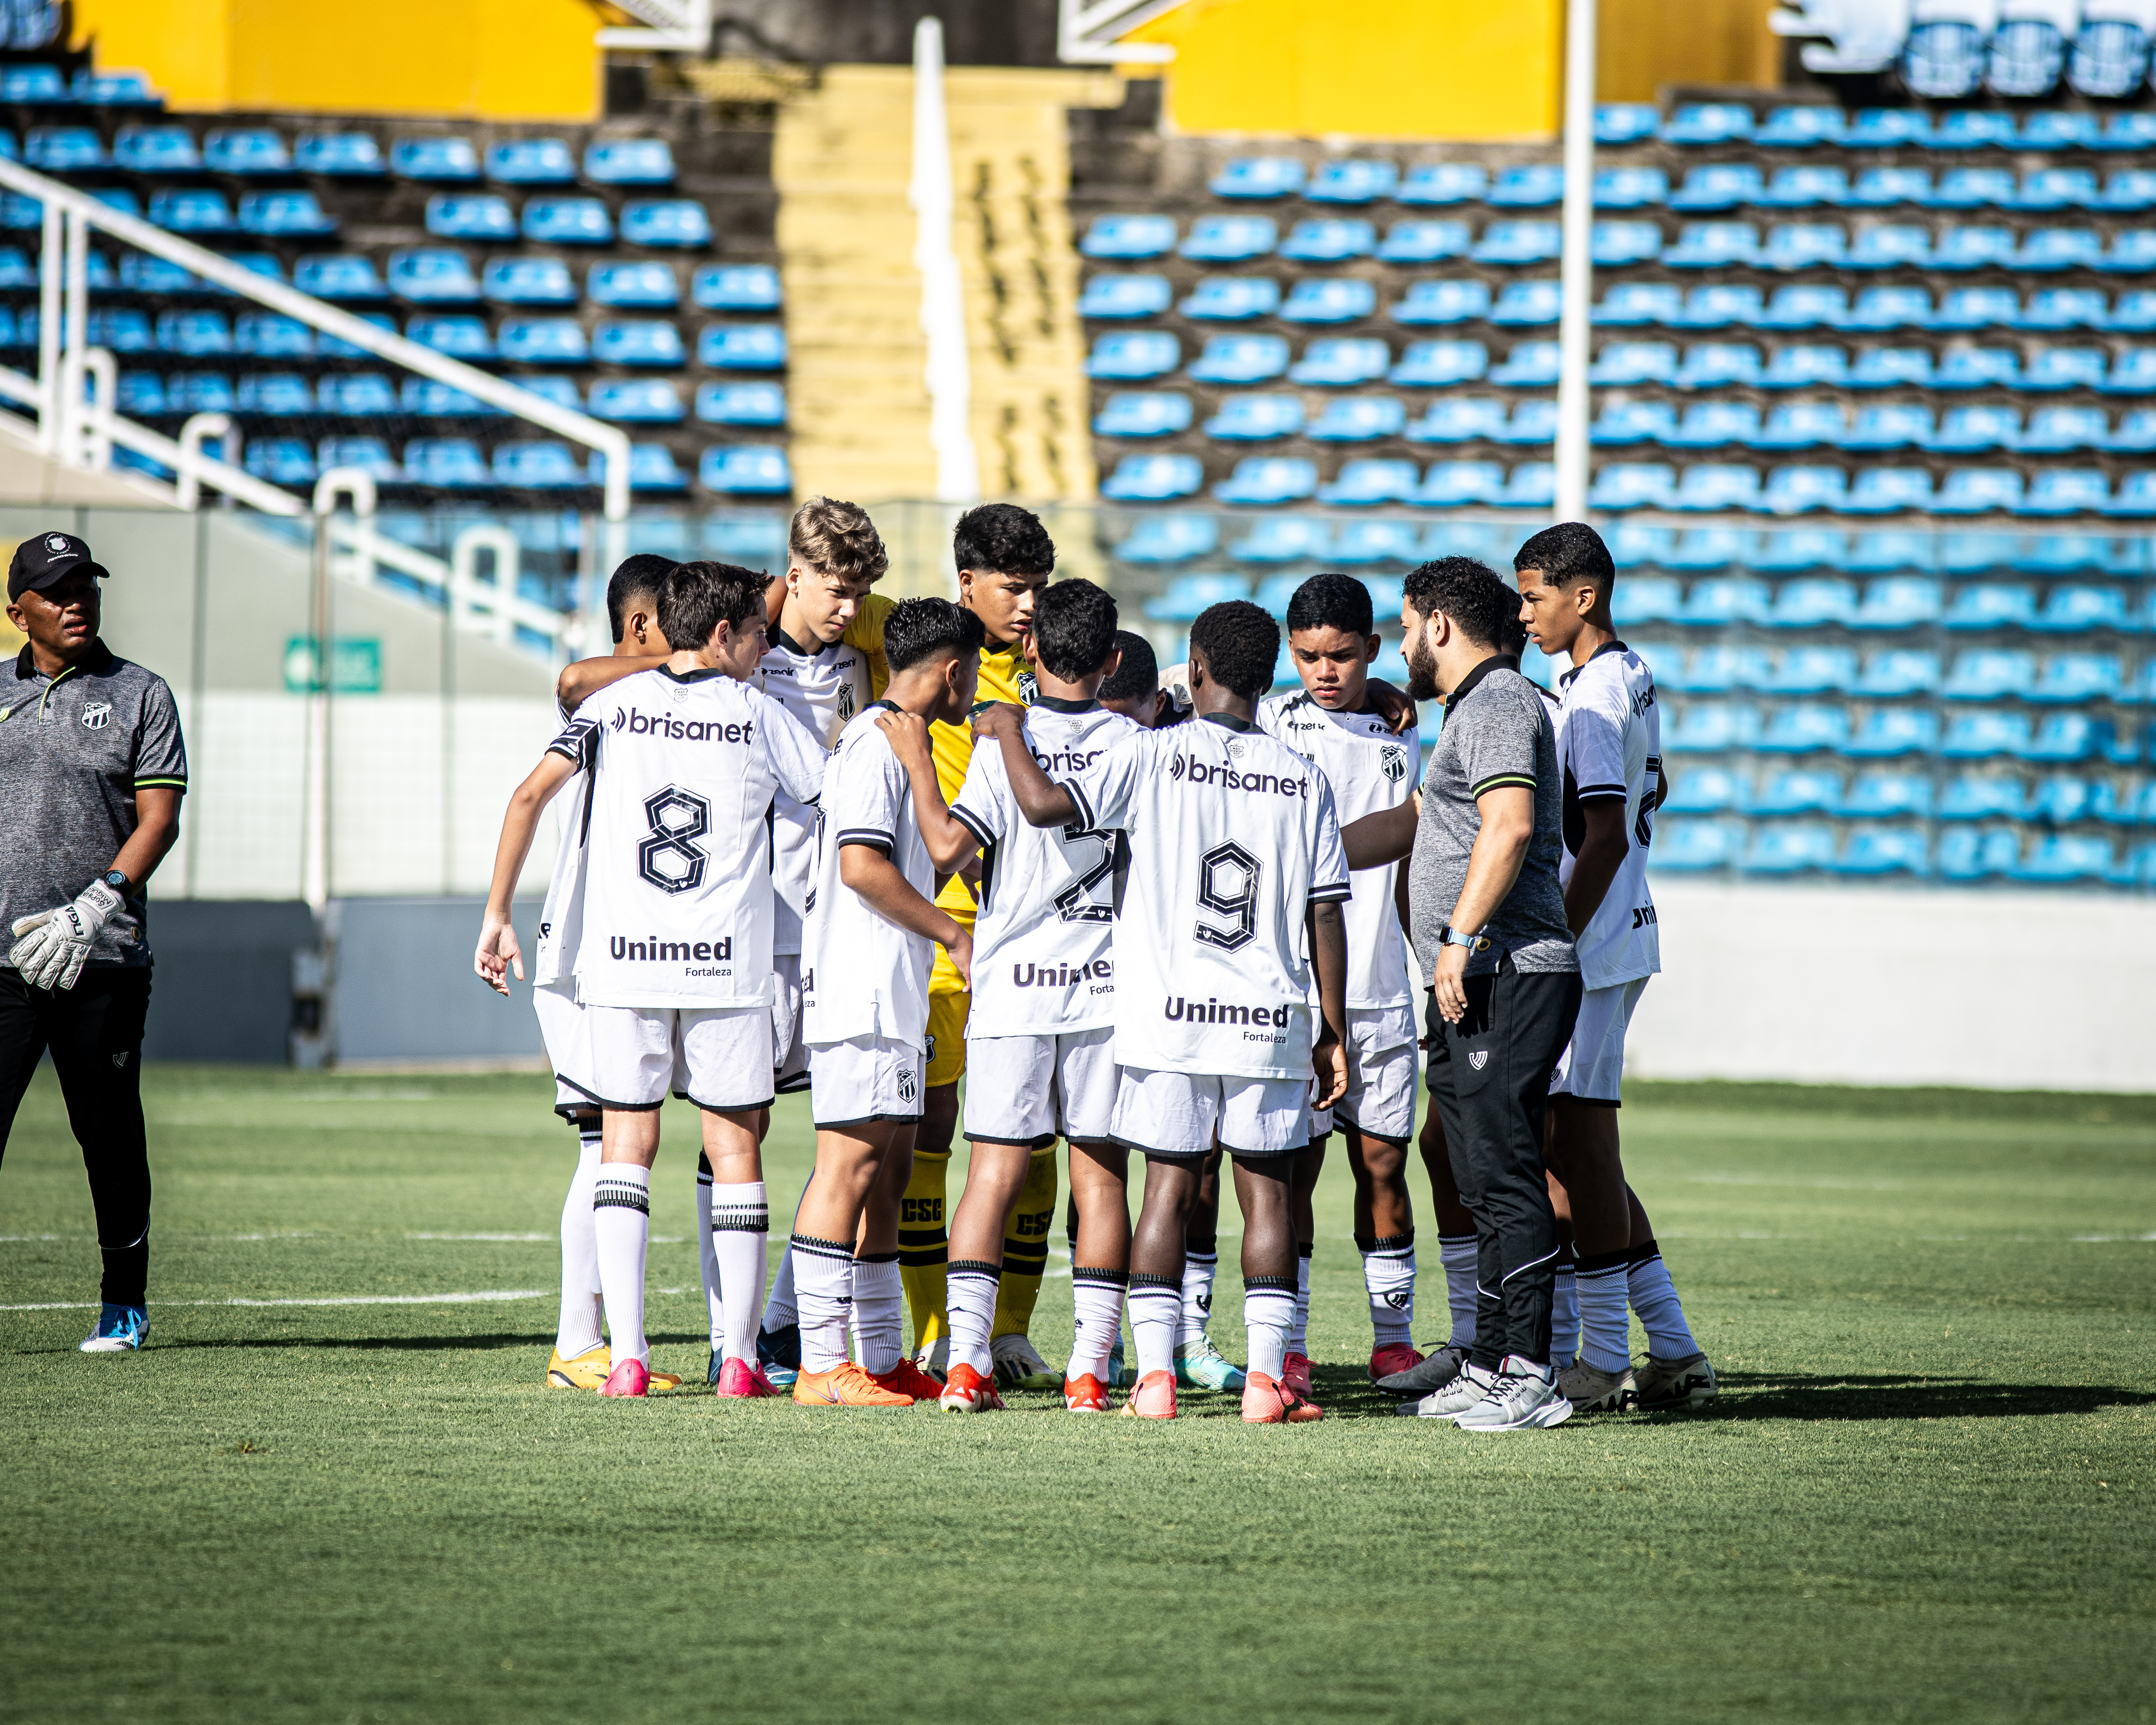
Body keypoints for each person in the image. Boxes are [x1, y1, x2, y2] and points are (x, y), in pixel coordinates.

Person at [978, 599, 1351, 1425]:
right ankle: (1263, 1383)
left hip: (1171, 1018)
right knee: (1268, 1201)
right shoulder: (1304, 775)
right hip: (1269, 1015)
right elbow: (1326, 911)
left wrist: (1005, 730)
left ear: (1198, 668)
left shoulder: (1153, 755)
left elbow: (1044, 809)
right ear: (1273, 675)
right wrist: (1336, 1027)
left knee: (1166, 1194)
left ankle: (1151, 1382)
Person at [476, 561, 825, 1397]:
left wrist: (496, 916)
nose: (764, 647)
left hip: (624, 959)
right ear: (722, 635)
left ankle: (625, 1358)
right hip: (728, 963)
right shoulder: (758, 712)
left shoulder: (610, 707)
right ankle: (738, 1359)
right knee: (734, 1148)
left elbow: (527, 797)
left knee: (624, 1148)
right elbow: (829, 801)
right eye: (756, 634)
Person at [880, 578, 1139, 1413]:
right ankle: (1090, 1372)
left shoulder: (998, 745)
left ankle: (964, 1365)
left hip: (1012, 990)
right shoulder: (1139, 746)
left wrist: (920, 761)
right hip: (1105, 991)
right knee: (1098, 1178)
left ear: (1030, 649)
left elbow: (949, 849)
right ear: (1110, 659)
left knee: (989, 1173)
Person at [1342, 556, 1582, 1433]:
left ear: (1438, 623)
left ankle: (1528, 1372)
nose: (1401, 643)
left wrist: (1457, 938)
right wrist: (1311, 850)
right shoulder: (1470, 713)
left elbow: (1510, 823)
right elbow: (1417, 820)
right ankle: (1489, 1359)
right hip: (1478, 971)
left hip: (1507, 968)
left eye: (1405, 625)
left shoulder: (1500, 703)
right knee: (1479, 1173)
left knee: (1505, 1172)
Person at [1514, 522, 1716, 1413]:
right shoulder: (1623, 674)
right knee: (1574, 1142)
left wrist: (1551, 934)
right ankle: (1668, 1346)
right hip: (1615, 931)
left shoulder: (1597, 689)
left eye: (1533, 595)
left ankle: (1598, 1357)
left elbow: (1598, 832)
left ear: (1582, 595)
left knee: (1580, 1142)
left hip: (1589, 945)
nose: (1523, 614)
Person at [789, 598, 981, 1406]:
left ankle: (874, 1354)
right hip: (862, 989)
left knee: (889, 1171)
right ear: (951, 670)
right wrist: (952, 934)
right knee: (848, 1165)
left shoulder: (899, 746)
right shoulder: (874, 743)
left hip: (890, 993)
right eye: (971, 669)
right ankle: (818, 1362)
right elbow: (860, 867)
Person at [0, 532, 186, 1354]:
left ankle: (125, 1302)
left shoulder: (142, 693)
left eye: (86, 587)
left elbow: (160, 819)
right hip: (2, 962)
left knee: (107, 1136)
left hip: (103, 958)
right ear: (18, 613)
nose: (77, 601)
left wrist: (96, 904)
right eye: (56, 591)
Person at [899, 503, 1064, 1393]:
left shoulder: (1063, 658)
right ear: (966, 582)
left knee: (1031, 1143)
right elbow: (801, 601)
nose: (1029, 603)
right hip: (938, 939)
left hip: (1033, 938)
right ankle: (933, 1326)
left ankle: (1009, 1330)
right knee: (927, 1135)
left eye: (1038, 584)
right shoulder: (921, 648)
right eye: (1012, 585)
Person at [1258, 574, 1426, 1393]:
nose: (1323, 671)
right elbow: (1186, 680)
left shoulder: (1406, 731)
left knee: (1383, 1164)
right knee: (1292, 1171)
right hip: (1293, 988)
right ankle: (1287, 1343)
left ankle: (1392, 1341)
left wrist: (1391, 694)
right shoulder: (1266, 718)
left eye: (1342, 656)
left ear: (1373, 649)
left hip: (1380, 982)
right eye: (1307, 656)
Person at [524, 552, 687, 1393]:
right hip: (588, 946)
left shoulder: (659, 703)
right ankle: (576, 1341)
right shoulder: (608, 694)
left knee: (613, 1139)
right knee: (604, 1141)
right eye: (678, 621)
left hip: (622, 946)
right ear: (639, 626)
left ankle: (585, 1340)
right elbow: (572, 677)